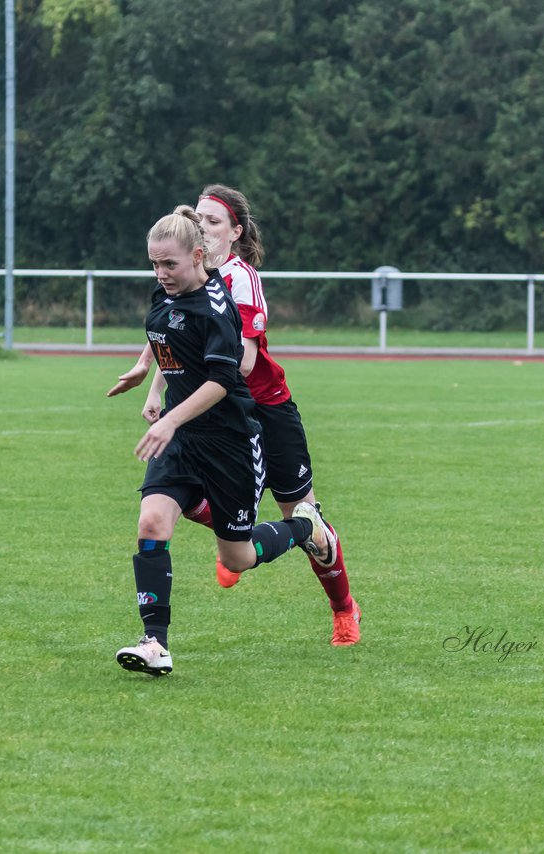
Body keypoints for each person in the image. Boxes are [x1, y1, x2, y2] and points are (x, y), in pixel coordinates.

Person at [108, 185, 361, 647]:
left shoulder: (237, 280)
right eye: (198, 216)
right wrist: (151, 374)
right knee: (167, 515)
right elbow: (173, 328)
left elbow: (235, 366)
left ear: (234, 232)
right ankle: (226, 532)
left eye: (212, 220)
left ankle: (342, 608)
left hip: (263, 411)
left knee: (299, 513)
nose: (201, 224)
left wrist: (172, 404)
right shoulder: (182, 274)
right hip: (208, 411)